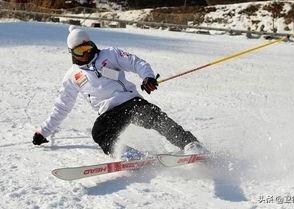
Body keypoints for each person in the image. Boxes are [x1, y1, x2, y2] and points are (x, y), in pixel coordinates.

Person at [32, 25, 207, 159]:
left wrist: (147, 77)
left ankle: (190, 143)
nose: (86, 53)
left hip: (130, 101)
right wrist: (43, 132)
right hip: (109, 112)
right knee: (99, 132)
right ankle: (127, 155)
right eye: (80, 51)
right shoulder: (72, 76)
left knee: (154, 116)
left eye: (87, 47)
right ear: (71, 52)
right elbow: (62, 106)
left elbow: (136, 62)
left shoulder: (110, 54)